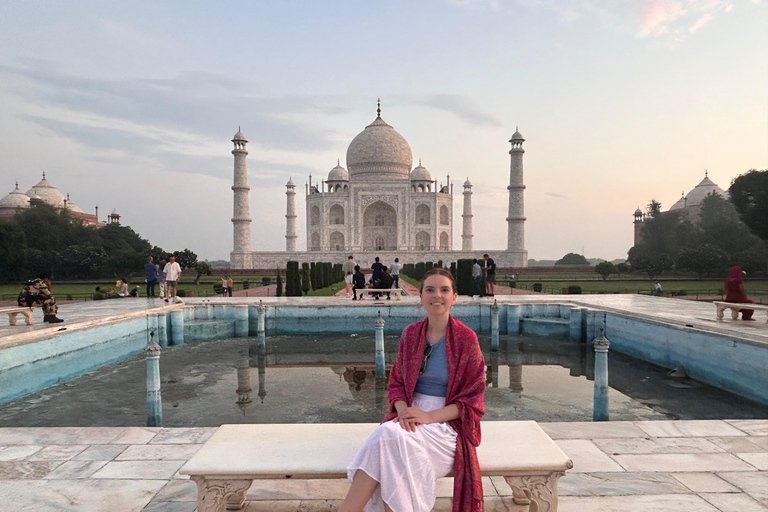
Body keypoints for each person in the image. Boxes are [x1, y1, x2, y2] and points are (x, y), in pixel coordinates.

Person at [341, 268, 486, 512]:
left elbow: (473, 400)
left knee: (388, 437)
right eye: (429, 290)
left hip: (446, 425)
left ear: (454, 297)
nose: (436, 295)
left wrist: (428, 416)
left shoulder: (466, 339)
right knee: (391, 442)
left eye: (444, 290)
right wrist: (403, 410)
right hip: (408, 415)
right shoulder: (411, 334)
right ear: (420, 297)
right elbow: (396, 382)